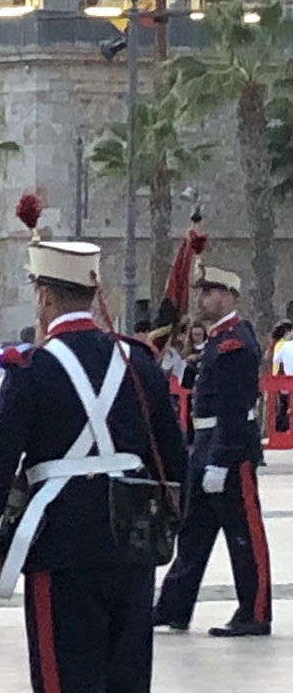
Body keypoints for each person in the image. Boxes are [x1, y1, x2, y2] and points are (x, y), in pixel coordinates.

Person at [0, 239, 187, 693]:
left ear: (46, 296)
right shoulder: (138, 362)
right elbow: (174, 456)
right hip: (132, 543)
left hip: (61, 547)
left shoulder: (32, 369)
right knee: (127, 689)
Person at [155, 264, 272, 637]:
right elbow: (207, 387)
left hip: (228, 450)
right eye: (201, 291)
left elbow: (237, 406)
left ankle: (254, 613)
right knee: (193, 534)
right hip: (205, 447)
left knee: (243, 534)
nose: (202, 298)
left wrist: (222, 459)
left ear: (229, 296)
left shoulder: (236, 341)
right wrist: (177, 367)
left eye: (210, 291)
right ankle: (174, 607)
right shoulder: (220, 340)